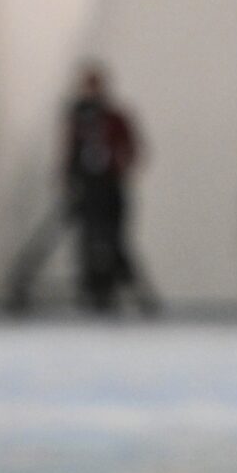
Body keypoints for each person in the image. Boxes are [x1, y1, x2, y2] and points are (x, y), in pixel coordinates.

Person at [62, 63, 151, 314]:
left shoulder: (115, 117)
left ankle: (125, 289)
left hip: (110, 186)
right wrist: (69, 179)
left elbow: (132, 147)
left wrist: (121, 168)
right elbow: (70, 151)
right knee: (89, 240)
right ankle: (94, 292)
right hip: (88, 188)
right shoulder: (78, 118)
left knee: (115, 240)